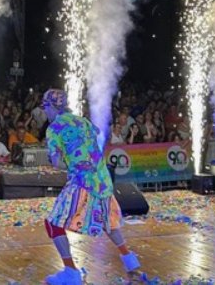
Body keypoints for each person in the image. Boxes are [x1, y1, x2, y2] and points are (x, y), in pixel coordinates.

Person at [41, 89, 140, 285]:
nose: (45, 111)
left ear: (52, 107)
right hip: (102, 179)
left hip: (81, 182)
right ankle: (131, 262)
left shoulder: (54, 128)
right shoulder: (83, 121)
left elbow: (57, 162)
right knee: (108, 222)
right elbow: (97, 136)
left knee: (53, 224)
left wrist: (60, 160)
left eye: (45, 107)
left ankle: (71, 272)